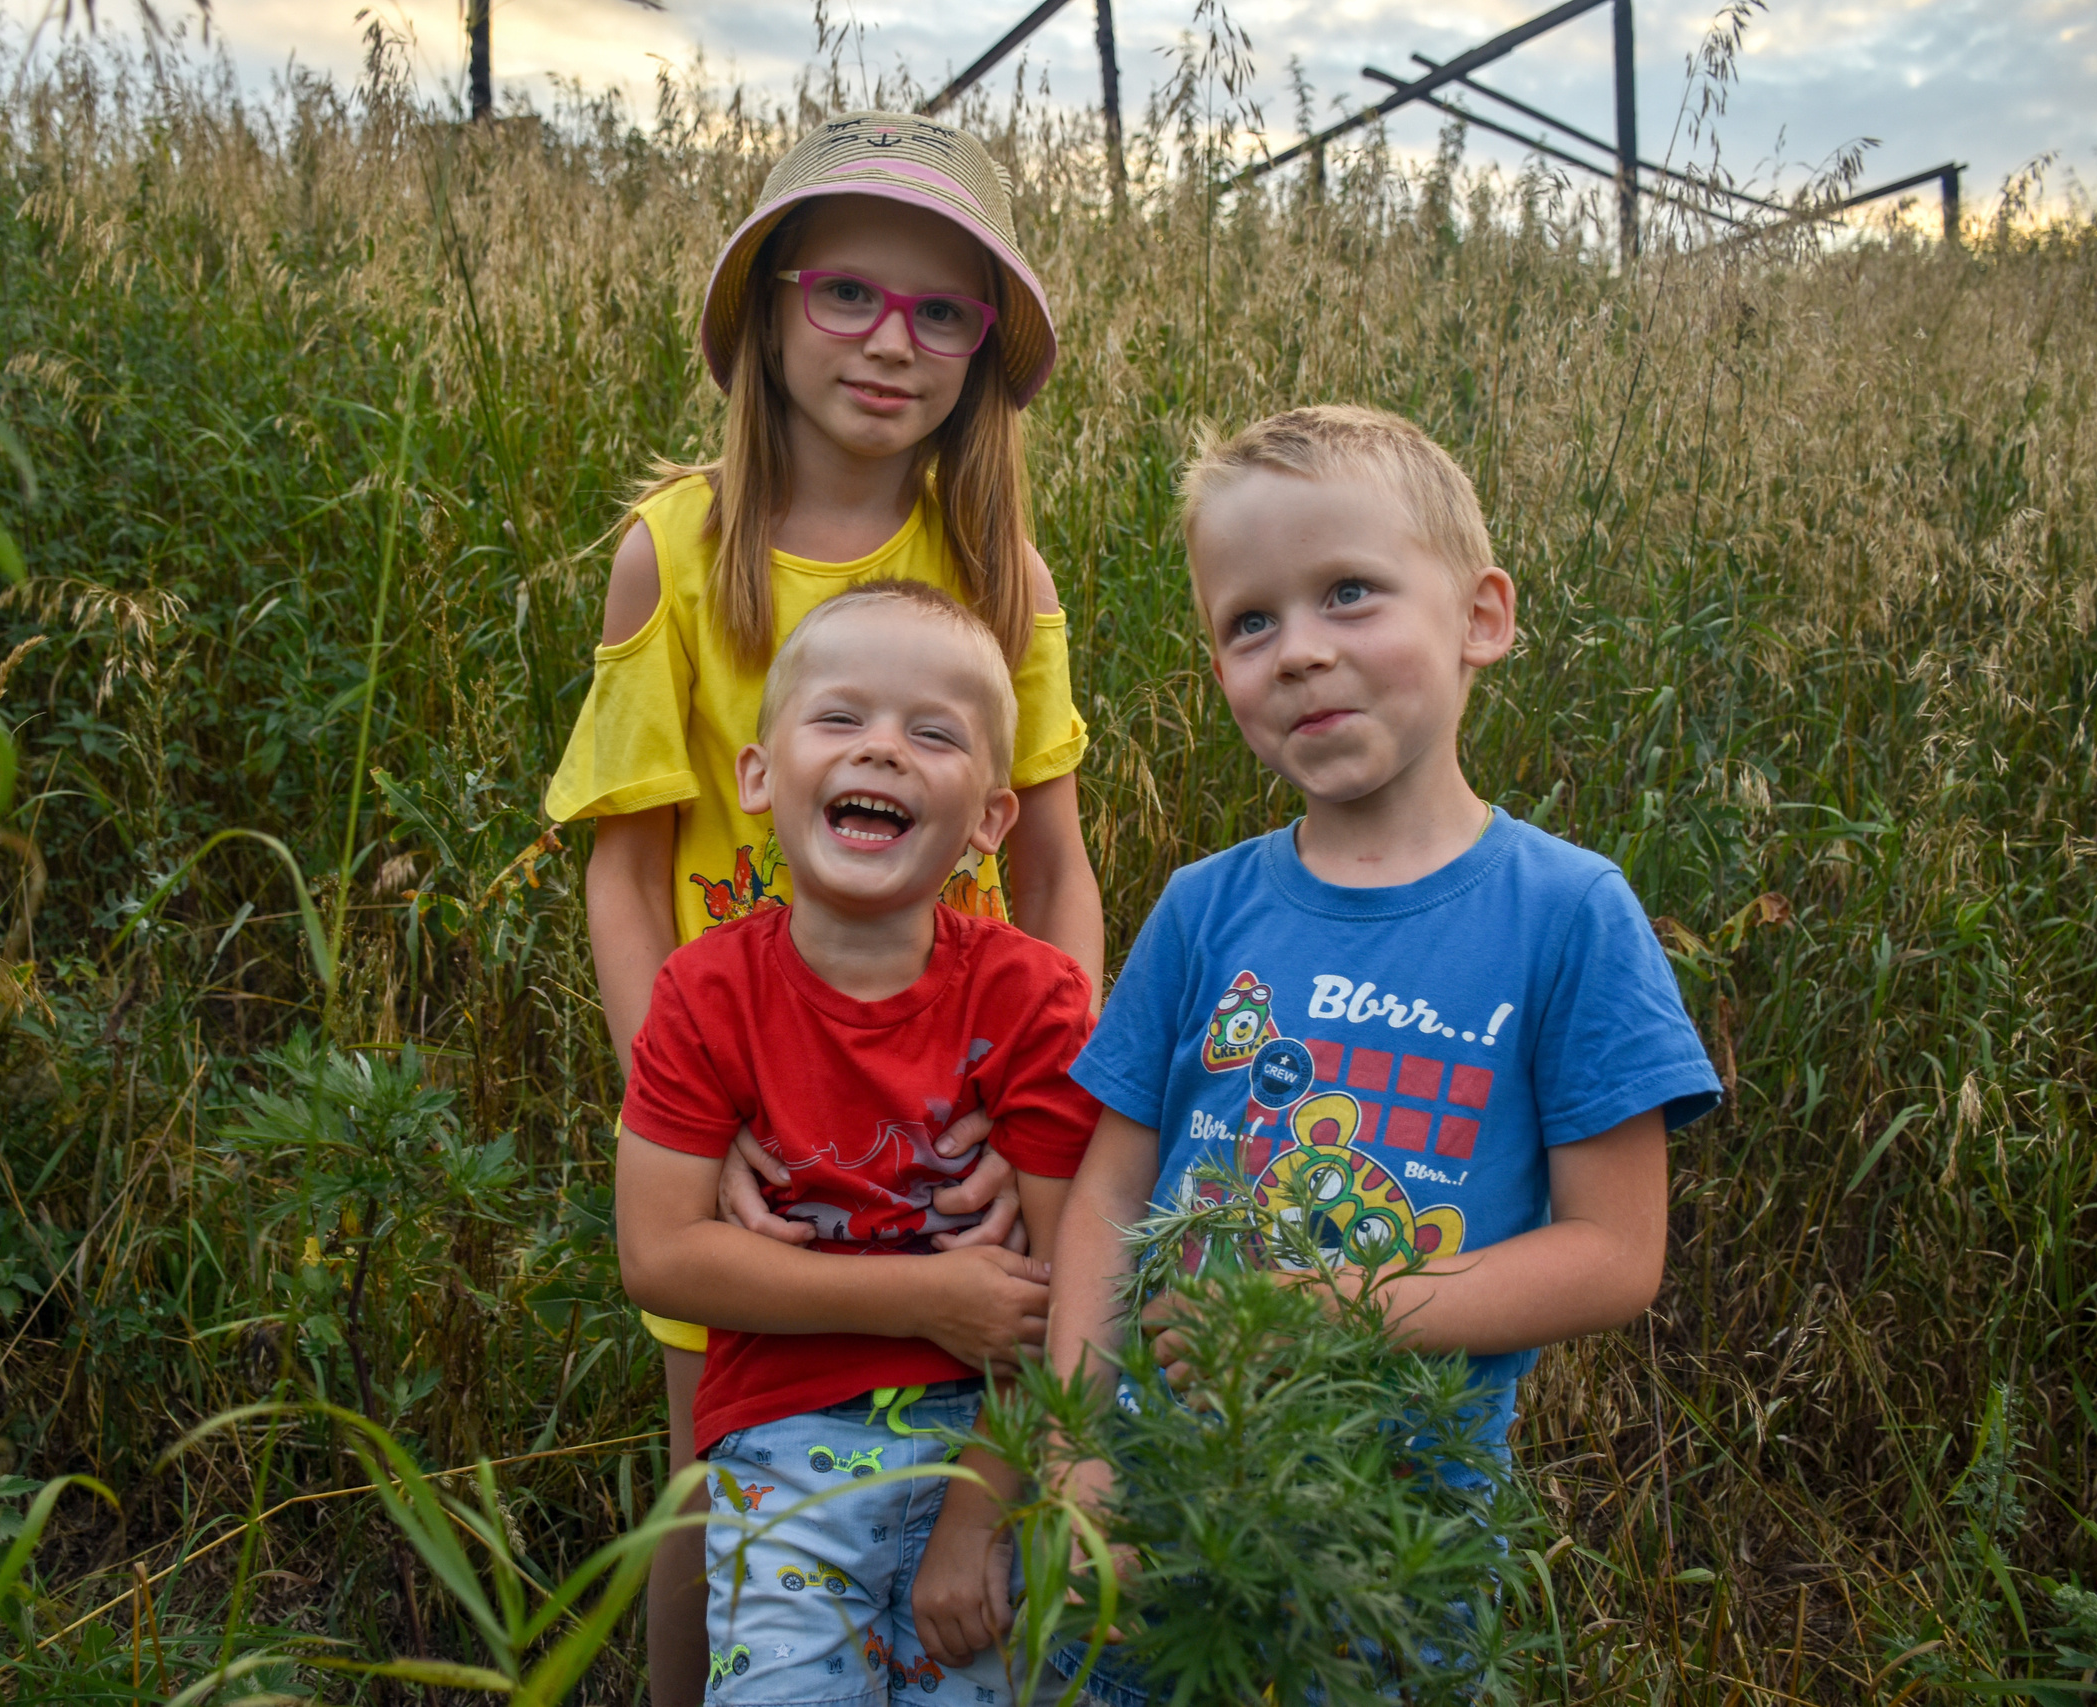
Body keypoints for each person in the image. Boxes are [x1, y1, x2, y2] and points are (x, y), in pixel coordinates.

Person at [544, 112, 1104, 1707]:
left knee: (967, 1438)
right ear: (775, 303)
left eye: (943, 312)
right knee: (715, 1474)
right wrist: (696, 1116)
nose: (890, 342)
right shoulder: (675, 552)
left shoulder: (1004, 569)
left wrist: (1050, 1118)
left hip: (959, 1087)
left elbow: (1054, 863)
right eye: (850, 292)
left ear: (984, 350)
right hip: (743, 1098)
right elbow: (629, 868)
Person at [1045, 405, 1723, 1701]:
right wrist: (1080, 1462)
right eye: (1249, 622)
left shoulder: (1569, 914)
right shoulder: (1203, 906)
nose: (1298, 651)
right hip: (1149, 1524)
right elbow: (1109, 1192)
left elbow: (1615, 1253)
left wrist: (1334, 1311)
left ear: (1482, 615)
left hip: (1385, 1552)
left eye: (1348, 592)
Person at [615, 581, 1101, 1705]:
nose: (881, 750)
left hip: (988, 1441)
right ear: (756, 776)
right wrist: (925, 1301)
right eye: (839, 720)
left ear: (988, 819)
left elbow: (1080, 1278)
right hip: (781, 1458)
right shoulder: (704, 992)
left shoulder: (1034, 1001)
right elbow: (662, 1256)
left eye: (931, 734)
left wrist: (982, 1500)